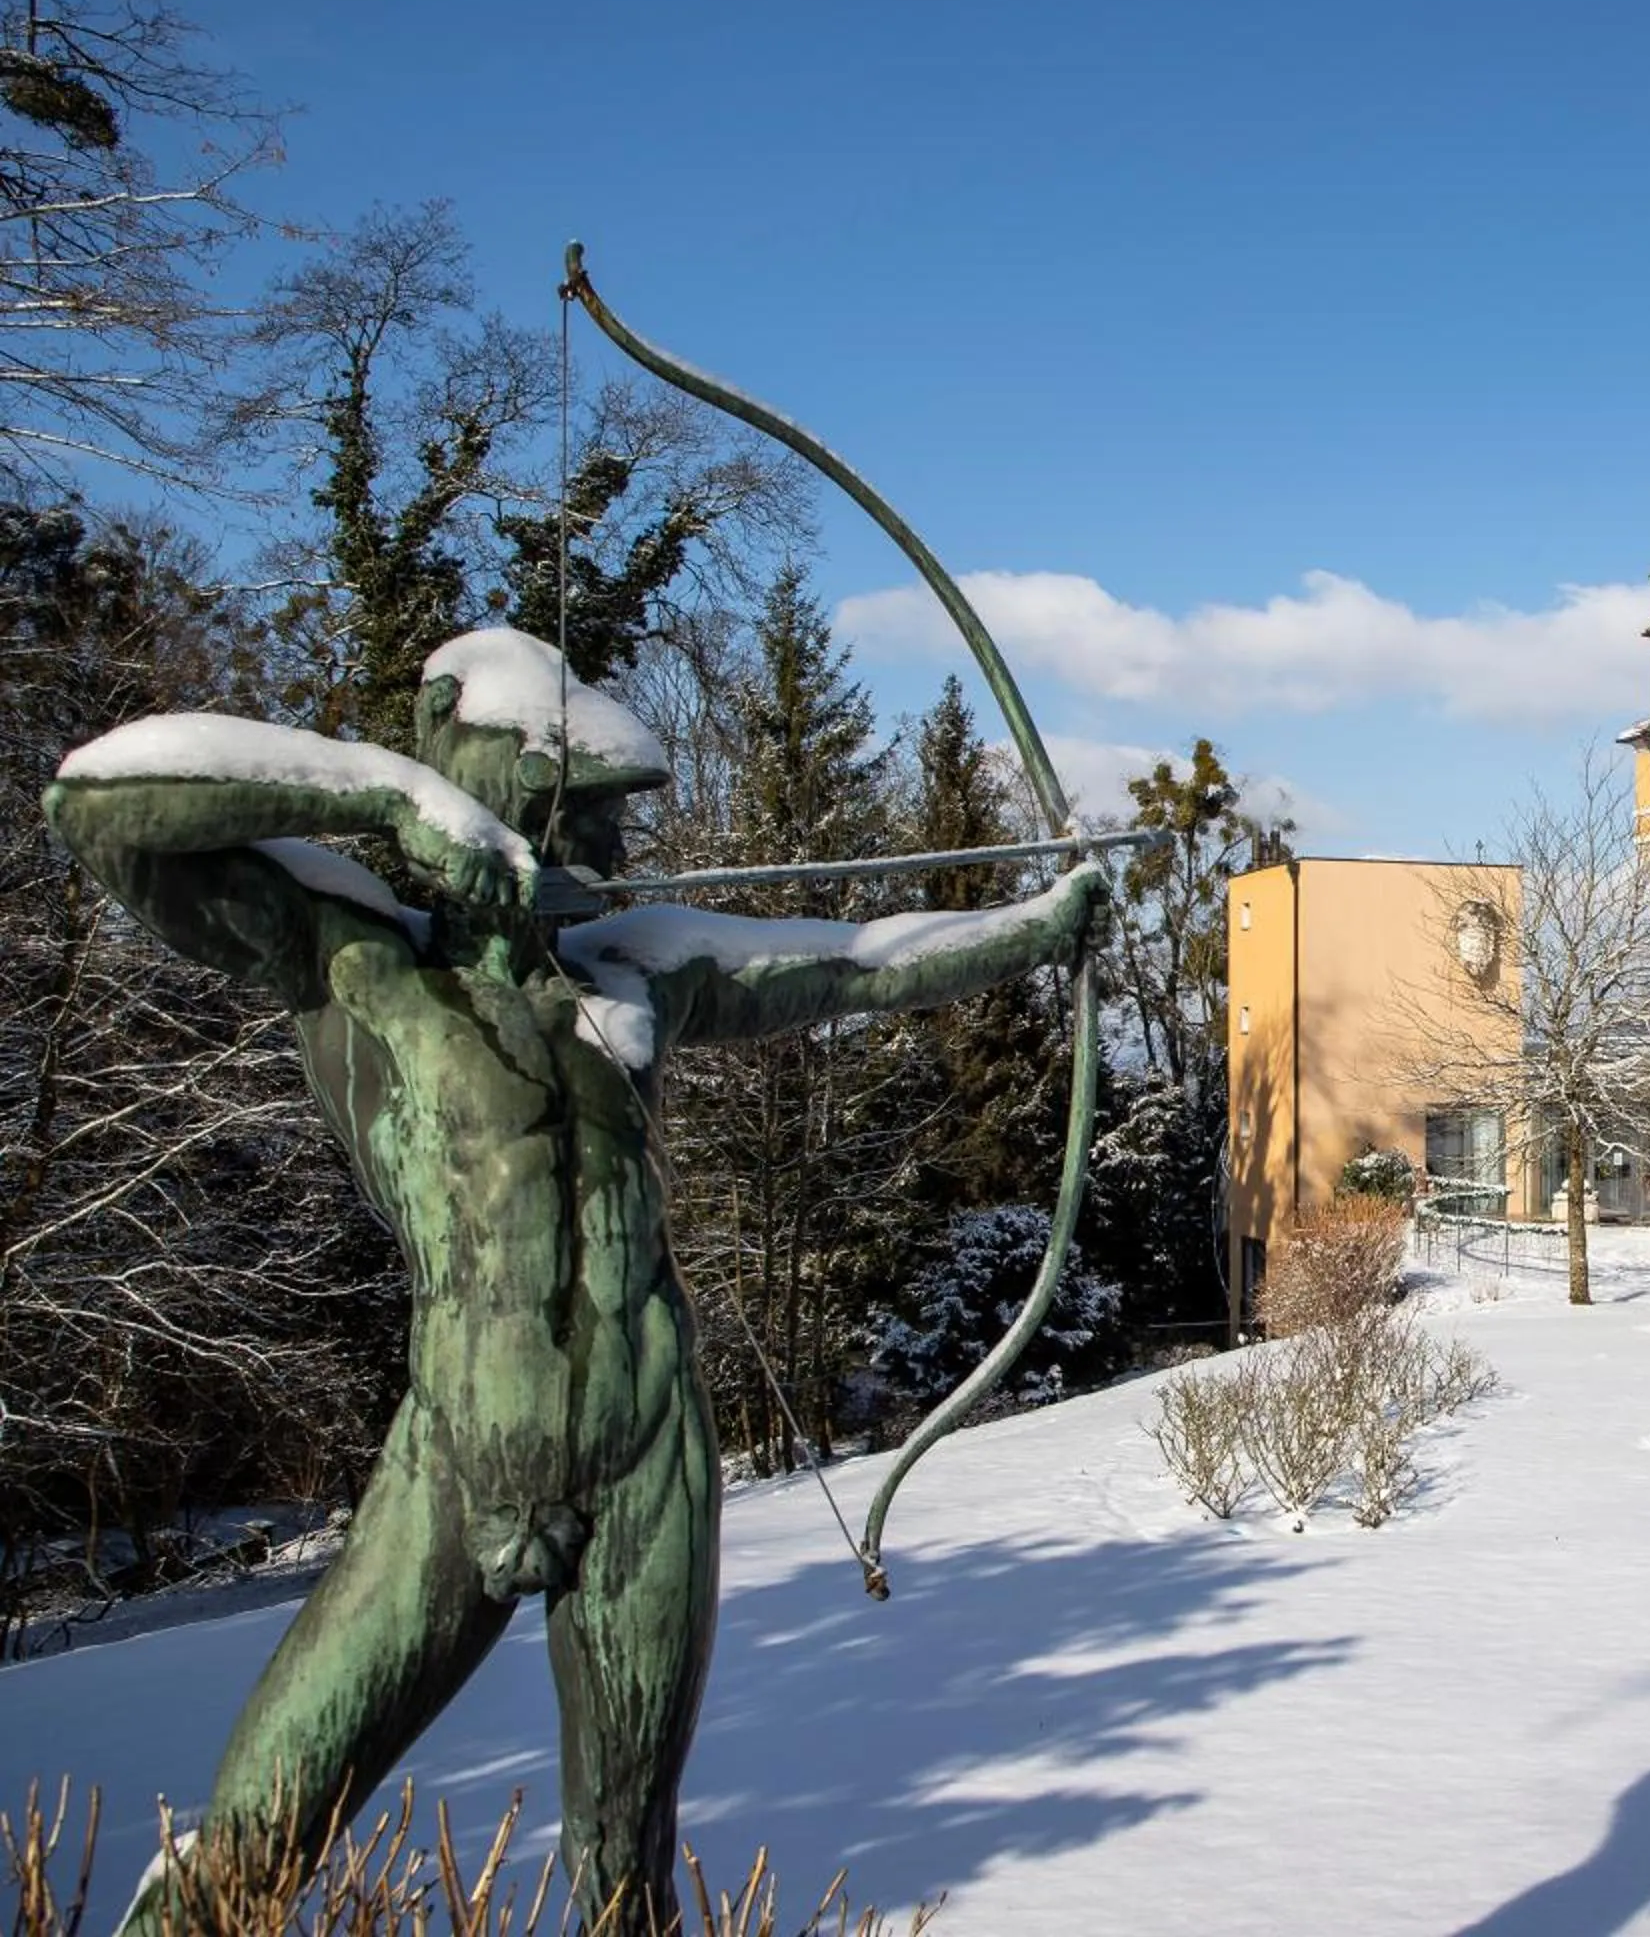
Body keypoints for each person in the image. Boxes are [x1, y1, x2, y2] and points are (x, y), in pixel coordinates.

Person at [46, 627, 1104, 1932]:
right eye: (588, 823)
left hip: (646, 1451)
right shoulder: (358, 959)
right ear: (498, 805)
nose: (613, 858)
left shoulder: (631, 974)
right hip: (454, 1458)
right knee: (265, 1831)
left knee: (623, 1872)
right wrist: (389, 798)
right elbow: (100, 802)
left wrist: (1041, 929)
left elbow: (857, 958)